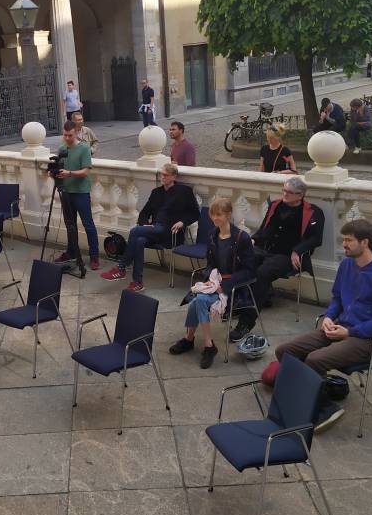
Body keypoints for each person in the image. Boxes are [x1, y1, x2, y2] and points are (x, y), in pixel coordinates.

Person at [275, 219, 372, 431]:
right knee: (284, 351)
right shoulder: (347, 264)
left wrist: (350, 332)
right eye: (344, 239)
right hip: (339, 327)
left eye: (349, 240)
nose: (344, 244)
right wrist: (328, 317)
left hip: (367, 339)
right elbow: (337, 298)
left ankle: (325, 409)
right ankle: (306, 393)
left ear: (365, 242)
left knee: (314, 359)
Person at [168, 198, 256, 369]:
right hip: (215, 283)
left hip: (234, 288)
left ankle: (193, 340)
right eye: (212, 214)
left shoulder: (242, 237)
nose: (215, 218)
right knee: (197, 300)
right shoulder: (213, 235)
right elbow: (211, 265)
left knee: (197, 300)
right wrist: (210, 279)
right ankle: (205, 344)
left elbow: (250, 271)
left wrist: (227, 284)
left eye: (219, 215)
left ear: (228, 215)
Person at [235, 176, 324, 340]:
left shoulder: (314, 212)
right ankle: (240, 303)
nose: (285, 194)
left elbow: (316, 239)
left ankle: (246, 322)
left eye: (289, 192)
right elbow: (266, 228)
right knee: (242, 260)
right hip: (266, 249)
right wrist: (254, 239)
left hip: (288, 256)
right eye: (284, 190)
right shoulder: (275, 205)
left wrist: (297, 250)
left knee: (262, 273)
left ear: (300, 195)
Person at [100, 163, 199, 292]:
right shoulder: (156, 193)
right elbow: (144, 213)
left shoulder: (184, 192)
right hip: (154, 229)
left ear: (174, 177)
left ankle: (121, 267)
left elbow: (195, 213)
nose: (162, 177)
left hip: (171, 232)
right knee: (139, 240)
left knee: (135, 231)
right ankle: (137, 282)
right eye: (161, 174)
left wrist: (182, 222)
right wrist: (145, 224)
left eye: (165, 175)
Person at [54, 120, 100, 270]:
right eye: (65, 135)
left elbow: (85, 171)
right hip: (66, 192)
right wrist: (54, 173)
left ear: (75, 133)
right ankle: (71, 251)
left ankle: (94, 256)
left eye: (70, 135)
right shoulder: (61, 148)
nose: (67, 138)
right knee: (69, 224)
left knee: (88, 224)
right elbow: (59, 168)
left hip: (81, 192)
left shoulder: (84, 148)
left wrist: (69, 174)